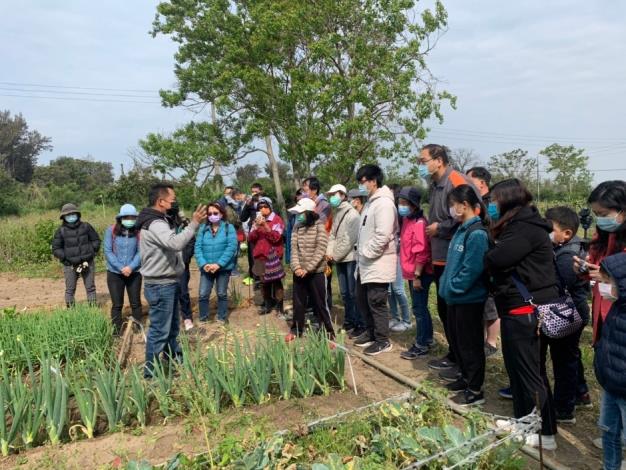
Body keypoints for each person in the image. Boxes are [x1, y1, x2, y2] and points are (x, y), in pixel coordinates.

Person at [484, 179, 559, 450]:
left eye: (493, 200)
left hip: (526, 309)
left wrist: (490, 253)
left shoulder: (524, 228)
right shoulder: (516, 226)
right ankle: (523, 421)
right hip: (514, 308)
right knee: (516, 370)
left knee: (530, 373)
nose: (490, 205)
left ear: (507, 200)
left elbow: (496, 260)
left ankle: (545, 433)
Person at [136, 183, 206, 378]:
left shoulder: (158, 220)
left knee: (172, 327)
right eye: (172, 200)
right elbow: (175, 243)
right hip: (160, 284)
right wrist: (194, 224)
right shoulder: (155, 223)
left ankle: (175, 362)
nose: (174, 203)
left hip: (167, 282)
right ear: (161, 201)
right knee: (160, 330)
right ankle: (151, 374)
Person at [418, 144, 475, 372]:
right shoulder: (434, 184)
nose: (421, 165)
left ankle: (463, 361)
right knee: (445, 311)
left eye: (423, 160)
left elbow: (472, 213)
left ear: (438, 160)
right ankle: (454, 354)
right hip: (440, 257)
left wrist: (440, 227)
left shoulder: (457, 181)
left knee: (457, 314)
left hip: (456, 257)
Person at [439, 185, 490, 406]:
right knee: (458, 342)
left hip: (468, 299)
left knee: (470, 345)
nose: (452, 209)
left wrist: (453, 287)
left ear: (465, 205)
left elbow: (471, 270)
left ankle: (475, 389)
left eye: (453, 204)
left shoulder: (477, 233)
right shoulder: (461, 230)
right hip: (453, 298)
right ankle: (465, 378)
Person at [540, 206, 591, 424]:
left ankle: (564, 408)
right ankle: (581, 394)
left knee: (563, 361)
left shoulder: (566, 256)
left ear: (567, 233)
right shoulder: (571, 248)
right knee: (570, 355)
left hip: (567, 312)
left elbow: (561, 286)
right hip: (573, 310)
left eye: (549, 228)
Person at [352, 164, 398, 356]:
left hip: (377, 261)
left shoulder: (384, 203)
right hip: (365, 262)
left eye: (363, 182)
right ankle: (371, 332)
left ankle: (382, 340)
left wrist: (366, 252)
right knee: (362, 299)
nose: (361, 186)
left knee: (377, 301)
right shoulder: (371, 202)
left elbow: (383, 235)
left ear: (373, 181)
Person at [594, 252, 626, 470]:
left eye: (607, 283)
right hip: (611, 384)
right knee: (608, 431)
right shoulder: (617, 307)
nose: (603, 288)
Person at [287, 198, 334, 340]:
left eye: (301, 213)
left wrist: (308, 268)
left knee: (320, 302)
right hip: (299, 271)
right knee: (298, 302)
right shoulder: (297, 227)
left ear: (309, 212)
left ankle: (327, 331)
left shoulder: (319, 226)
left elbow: (321, 249)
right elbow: (293, 249)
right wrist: (296, 267)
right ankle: (296, 329)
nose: (299, 216)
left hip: (316, 271)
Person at [397, 187, 434, 359]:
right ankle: (428, 339)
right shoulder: (407, 220)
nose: (401, 206)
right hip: (411, 272)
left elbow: (422, 251)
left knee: (418, 309)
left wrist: (417, 275)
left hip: (419, 273)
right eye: (400, 202)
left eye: (404, 203)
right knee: (420, 307)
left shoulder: (419, 223)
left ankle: (421, 344)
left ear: (413, 205)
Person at [467, 166, 500, 357]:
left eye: (470, 180)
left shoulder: (492, 204)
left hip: (490, 255)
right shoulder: (474, 201)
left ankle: (492, 343)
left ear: (482, 182)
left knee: (490, 304)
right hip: (478, 256)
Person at [325, 184, 364, 335]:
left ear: (342, 195)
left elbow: (349, 240)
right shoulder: (338, 213)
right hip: (340, 259)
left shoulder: (353, 215)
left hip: (350, 258)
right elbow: (332, 235)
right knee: (345, 293)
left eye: (334, 194)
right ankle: (349, 321)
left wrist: (334, 255)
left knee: (353, 293)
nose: (331, 198)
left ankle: (359, 323)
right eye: (331, 195)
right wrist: (329, 252)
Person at [195, 202, 238, 324]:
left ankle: (222, 318)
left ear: (221, 214)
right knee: (203, 294)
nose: (212, 215)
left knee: (221, 293)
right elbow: (197, 248)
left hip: (223, 268)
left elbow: (231, 247)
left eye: (215, 213)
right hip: (207, 268)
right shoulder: (203, 229)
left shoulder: (228, 228)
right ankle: (203, 318)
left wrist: (219, 264)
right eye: (210, 213)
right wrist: (204, 264)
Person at [52, 203, 101, 308]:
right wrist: (65, 258)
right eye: (68, 215)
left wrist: (91, 252)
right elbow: (56, 248)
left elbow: (96, 240)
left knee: (90, 287)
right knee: (70, 290)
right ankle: (71, 312)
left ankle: (93, 310)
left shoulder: (86, 226)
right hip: (70, 266)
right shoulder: (61, 231)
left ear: (78, 214)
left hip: (88, 263)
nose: (71, 216)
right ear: (63, 217)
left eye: (73, 214)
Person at [104, 204, 142, 336]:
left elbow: (141, 252)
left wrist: (131, 267)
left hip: (134, 272)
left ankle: (137, 326)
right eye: (127, 217)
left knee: (135, 303)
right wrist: (121, 268)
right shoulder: (111, 231)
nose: (130, 219)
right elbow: (108, 251)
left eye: (132, 217)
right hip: (115, 273)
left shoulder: (138, 232)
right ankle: (116, 330)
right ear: (120, 218)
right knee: (117, 304)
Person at [248, 197, 286, 316]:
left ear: (270, 207)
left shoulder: (277, 220)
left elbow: (276, 237)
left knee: (276, 281)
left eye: (265, 207)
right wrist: (255, 227)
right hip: (260, 255)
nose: (262, 209)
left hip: (273, 255)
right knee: (264, 282)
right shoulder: (257, 221)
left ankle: (280, 307)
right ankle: (268, 304)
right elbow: (250, 238)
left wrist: (265, 225)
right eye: (260, 208)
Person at [166, 203, 196, 332]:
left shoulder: (184, 224)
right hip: (166, 265)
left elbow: (190, 241)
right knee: (167, 292)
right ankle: (170, 319)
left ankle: (187, 317)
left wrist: (185, 259)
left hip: (182, 265)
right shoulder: (160, 224)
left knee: (183, 291)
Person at [388, 184, 411, 332]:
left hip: (399, 255)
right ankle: (395, 317)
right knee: (389, 290)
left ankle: (407, 320)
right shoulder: (389, 212)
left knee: (398, 289)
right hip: (388, 255)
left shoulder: (404, 216)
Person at [241, 182, 266, 286]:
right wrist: (247, 205)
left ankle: (264, 277)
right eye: (252, 192)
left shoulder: (266, 202)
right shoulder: (249, 203)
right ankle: (254, 278)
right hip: (253, 233)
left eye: (256, 191)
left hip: (264, 233)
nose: (254, 193)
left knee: (263, 255)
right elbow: (242, 218)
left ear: (261, 191)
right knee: (252, 256)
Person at [285, 189, 305, 264]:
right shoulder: (293, 217)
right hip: (296, 255)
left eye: (302, 194)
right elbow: (289, 237)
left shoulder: (313, 215)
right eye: (298, 195)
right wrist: (289, 258)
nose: (300, 197)